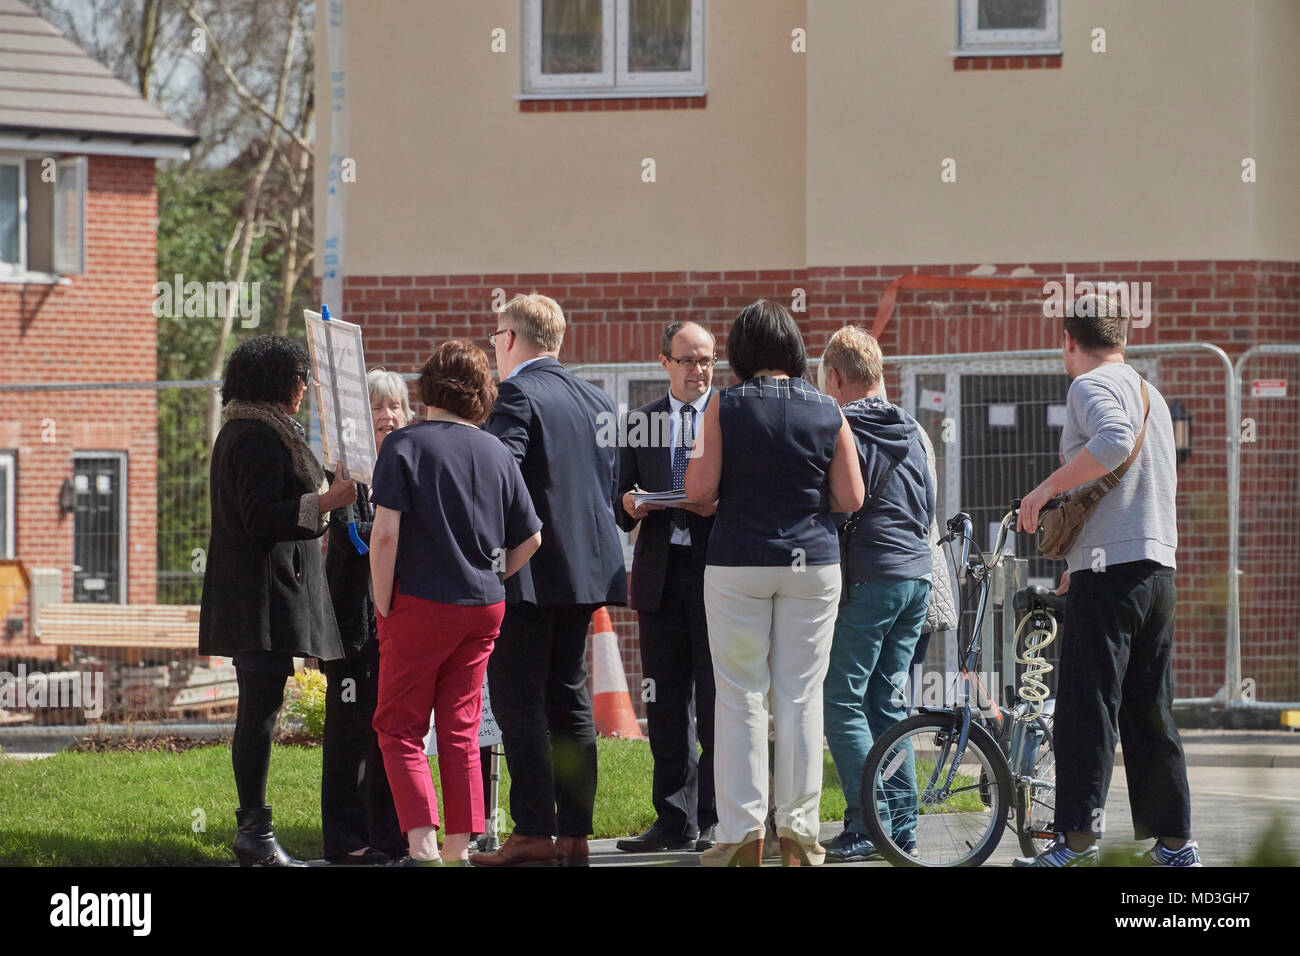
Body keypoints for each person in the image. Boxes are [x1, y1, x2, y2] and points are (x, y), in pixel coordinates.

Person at [1015, 292, 1196, 867]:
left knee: (1084, 709)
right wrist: (1082, 561)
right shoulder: (1154, 396)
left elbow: (1114, 441)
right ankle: (1175, 845)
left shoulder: (1088, 386)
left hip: (1112, 575)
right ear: (1123, 338)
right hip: (1155, 571)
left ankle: (1076, 842)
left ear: (1070, 340)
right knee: (1150, 711)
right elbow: (1146, 485)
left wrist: (1044, 491)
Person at [684, 300, 864, 867]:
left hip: (739, 559)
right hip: (811, 562)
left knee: (739, 696)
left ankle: (740, 836)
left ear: (740, 352)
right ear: (793, 349)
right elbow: (851, 498)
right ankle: (800, 836)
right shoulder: (827, 408)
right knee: (801, 698)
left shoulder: (723, 404)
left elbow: (699, 490)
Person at [368, 340, 542, 866]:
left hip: (421, 600)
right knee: (461, 731)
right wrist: (491, 575)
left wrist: (383, 602)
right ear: (483, 394)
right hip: (484, 605)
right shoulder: (496, 451)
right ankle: (458, 849)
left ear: (426, 388)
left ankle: (422, 847)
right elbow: (531, 539)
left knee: (398, 726)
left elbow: (385, 536)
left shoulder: (404, 445)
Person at [470, 293, 628, 868]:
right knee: (570, 697)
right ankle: (576, 834)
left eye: (495, 337)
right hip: (587, 572)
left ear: (511, 338)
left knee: (519, 700)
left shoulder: (514, 393)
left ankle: (534, 829)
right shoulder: (595, 397)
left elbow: (499, 472)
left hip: (530, 571)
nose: (493, 347)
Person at [198, 334, 354, 866]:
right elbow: (262, 518)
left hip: (266, 593)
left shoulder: (261, 430)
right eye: (298, 377)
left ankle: (255, 834)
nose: (305, 387)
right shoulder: (256, 436)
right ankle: (255, 835)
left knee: (261, 709)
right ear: (277, 382)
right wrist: (328, 500)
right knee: (259, 712)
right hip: (258, 597)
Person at [817, 326, 935, 863]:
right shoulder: (914, 429)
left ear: (836, 378)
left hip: (870, 577)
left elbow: (838, 501)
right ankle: (902, 828)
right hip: (917, 577)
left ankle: (869, 824)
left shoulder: (843, 427)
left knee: (840, 700)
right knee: (887, 702)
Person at [615, 320, 719, 853]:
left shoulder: (728, 417)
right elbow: (619, 502)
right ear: (665, 363)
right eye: (688, 361)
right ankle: (673, 818)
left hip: (715, 575)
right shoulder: (641, 423)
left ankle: (714, 814)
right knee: (667, 699)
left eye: (706, 360)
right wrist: (632, 505)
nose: (699, 370)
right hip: (660, 576)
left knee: (717, 698)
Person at [320, 368, 411, 865]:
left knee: (393, 731)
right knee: (350, 732)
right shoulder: (348, 472)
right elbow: (354, 540)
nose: (388, 415)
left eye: (395, 405)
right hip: (353, 624)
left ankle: (390, 835)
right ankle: (345, 839)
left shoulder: (413, 463)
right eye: (377, 407)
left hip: (402, 623)